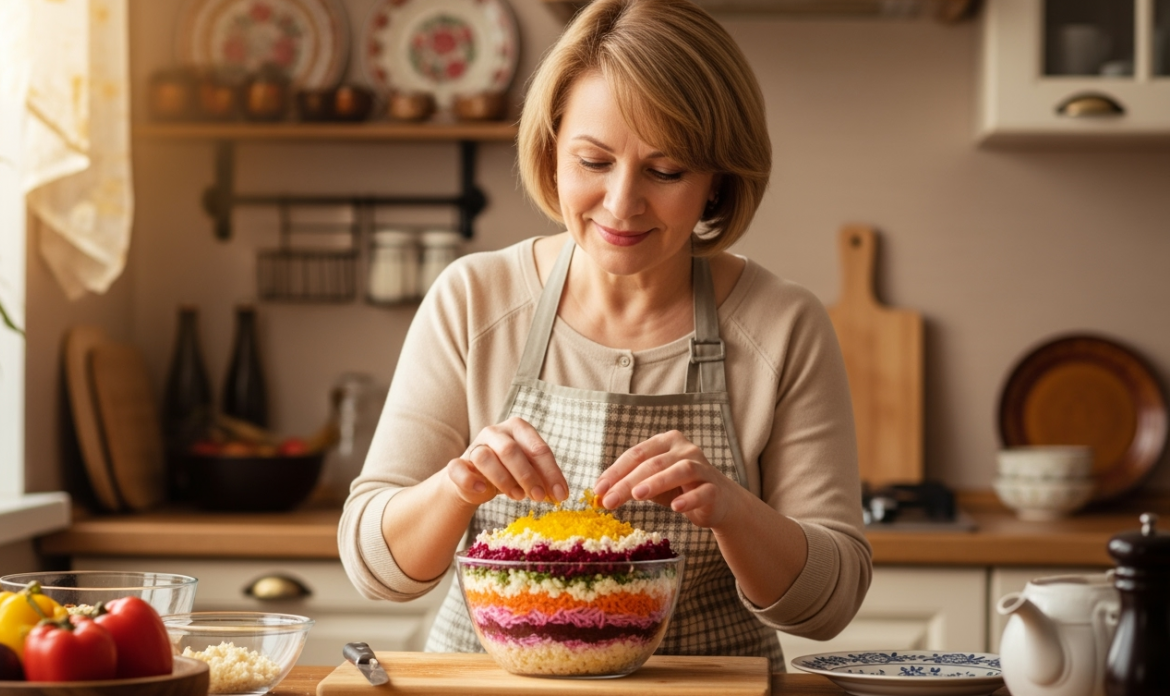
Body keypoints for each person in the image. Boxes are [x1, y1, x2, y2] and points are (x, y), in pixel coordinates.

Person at [338, 0, 871, 669]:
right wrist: (458, 486)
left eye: (667, 170)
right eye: (593, 162)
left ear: (716, 183)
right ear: (553, 150)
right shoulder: (474, 299)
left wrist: (734, 510)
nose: (622, 204)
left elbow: (829, 605)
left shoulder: (782, 324)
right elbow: (373, 569)